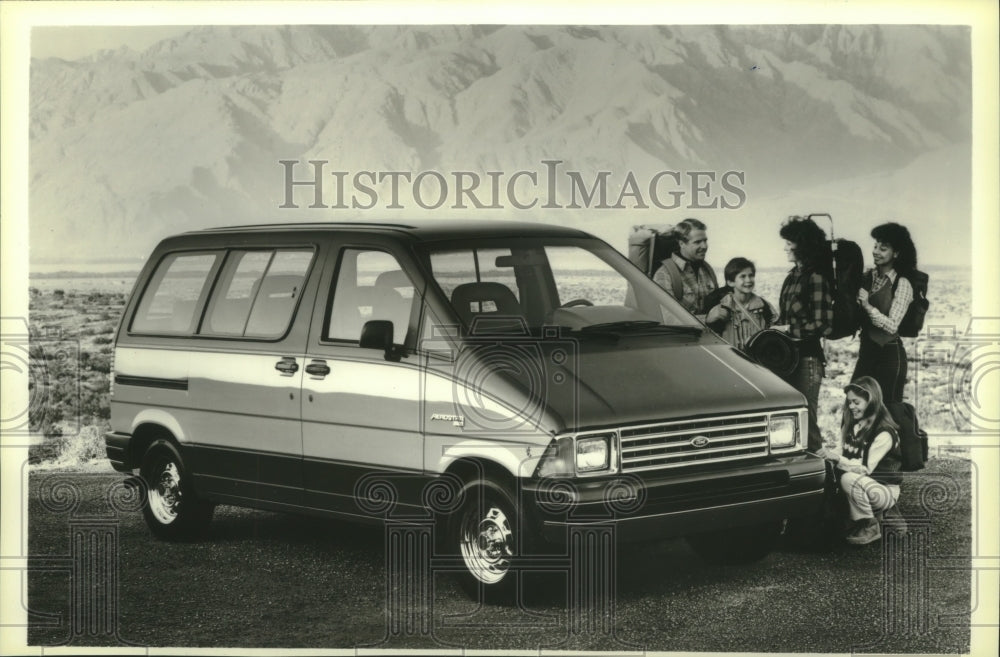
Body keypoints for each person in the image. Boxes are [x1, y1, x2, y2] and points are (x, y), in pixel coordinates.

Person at [819, 376, 904, 545]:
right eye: (849, 402)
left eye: (856, 402)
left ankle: (869, 524)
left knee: (848, 479)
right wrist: (825, 455)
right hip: (866, 485)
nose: (851, 407)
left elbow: (865, 468)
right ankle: (881, 516)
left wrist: (836, 458)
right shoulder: (851, 424)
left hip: (884, 488)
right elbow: (840, 449)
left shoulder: (884, 432)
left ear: (871, 401)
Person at [777, 216, 833, 452]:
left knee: (807, 421)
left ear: (802, 245)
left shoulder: (815, 277)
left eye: (789, 242)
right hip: (789, 359)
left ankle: (822, 473)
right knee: (793, 421)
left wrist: (789, 330)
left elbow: (824, 326)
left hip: (808, 359)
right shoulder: (792, 276)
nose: (785, 247)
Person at [852, 223, 917, 403]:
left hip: (889, 356)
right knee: (854, 403)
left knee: (888, 410)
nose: (876, 251)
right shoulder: (867, 278)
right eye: (875, 246)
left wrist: (867, 306)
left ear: (895, 253)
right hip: (867, 352)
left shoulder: (902, 283)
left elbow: (892, 325)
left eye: (883, 248)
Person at [652, 218, 718, 320]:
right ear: (682, 243)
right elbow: (669, 319)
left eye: (705, 241)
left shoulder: (707, 270)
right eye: (697, 242)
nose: (704, 246)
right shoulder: (664, 274)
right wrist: (707, 319)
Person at [705, 257, 775, 351]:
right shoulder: (721, 308)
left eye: (751, 275)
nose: (748, 280)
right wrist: (709, 320)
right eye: (743, 276)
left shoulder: (765, 307)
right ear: (730, 282)